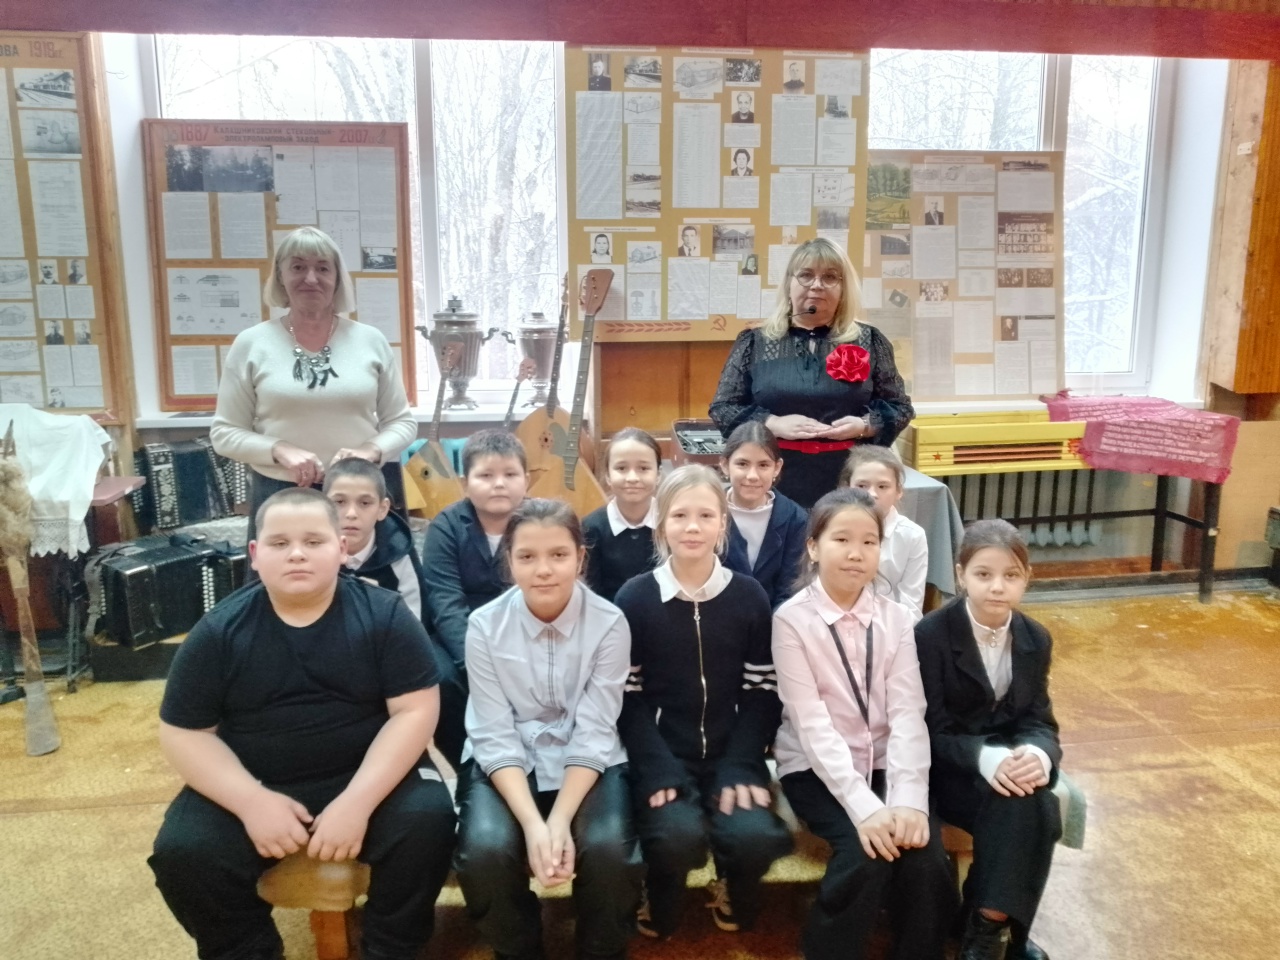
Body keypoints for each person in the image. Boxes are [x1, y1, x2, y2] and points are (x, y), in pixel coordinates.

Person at [148, 488, 457, 960]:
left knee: (429, 821)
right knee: (183, 851)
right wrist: (251, 802)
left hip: (366, 773)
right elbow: (184, 732)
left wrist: (357, 802)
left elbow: (415, 711)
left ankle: (391, 948)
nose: (296, 553)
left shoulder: (386, 615)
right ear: (255, 554)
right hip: (257, 778)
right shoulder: (218, 631)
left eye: (314, 541)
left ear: (342, 548)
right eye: (279, 543)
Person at [455, 499, 643, 960]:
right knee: (484, 852)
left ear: (580, 558)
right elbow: (494, 733)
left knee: (609, 850)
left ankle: (601, 950)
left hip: (587, 760)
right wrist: (532, 824)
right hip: (507, 762)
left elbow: (595, 729)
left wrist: (558, 820)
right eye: (527, 556)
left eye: (558, 555)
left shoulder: (610, 624)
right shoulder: (484, 626)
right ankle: (518, 948)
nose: (543, 570)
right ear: (509, 560)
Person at [774, 488, 956, 960]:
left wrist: (909, 799)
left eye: (869, 542)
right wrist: (864, 807)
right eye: (841, 539)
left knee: (925, 856)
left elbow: (908, 713)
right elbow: (811, 725)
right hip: (815, 769)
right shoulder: (791, 621)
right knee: (865, 852)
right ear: (814, 547)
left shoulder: (897, 619)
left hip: (886, 763)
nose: (856, 553)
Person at [615, 465, 792, 939]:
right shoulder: (635, 598)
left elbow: (762, 689)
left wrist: (742, 764)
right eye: (679, 515)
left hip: (731, 754)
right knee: (676, 837)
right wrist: (656, 767)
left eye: (705, 515)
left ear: (722, 523)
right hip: (664, 756)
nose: (692, 527)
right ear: (661, 523)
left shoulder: (749, 596)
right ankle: (660, 884)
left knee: (755, 838)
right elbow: (627, 696)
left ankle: (733, 880)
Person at [211, 226, 416, 546]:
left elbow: (402, 423)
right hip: (282, 498)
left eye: (322, 268)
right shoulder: (251, 344)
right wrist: (279, 449)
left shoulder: (371, 341)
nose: (310, 278)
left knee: (369, 580)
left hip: (358, 498)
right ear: (280, 277)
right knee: (291, 578)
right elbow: (224, 433)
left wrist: (369, 451)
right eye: (298, 267)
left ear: (337, 278)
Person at [914, 520, 1062, 960]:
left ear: (1026, 578)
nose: (997, 587)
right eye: (984, 574)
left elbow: (1040, 721)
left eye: (1011, 575)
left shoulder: (1035, 638)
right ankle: (1002, 934)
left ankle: (984, 930)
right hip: (950, 769)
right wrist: (985, 758)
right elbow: (930, 731)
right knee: (1033, 809)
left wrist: (1036, 754)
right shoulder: (931, 635)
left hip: (1007, 766)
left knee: (1032, 798)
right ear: (961, 575)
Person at [710, 237, 915, 509]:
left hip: (848, 480)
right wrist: (773, 423)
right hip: (773, 479)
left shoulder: (870, 340)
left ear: (843, 288)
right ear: (789, 283)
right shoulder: (755, 342)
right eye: (806, 275)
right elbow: (723, 408)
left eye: (830, 277)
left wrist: (864, 425)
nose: (817, 285)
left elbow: (900, 408)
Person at [422, 428, 529, 770]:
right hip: (460, 635)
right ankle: (469, 769)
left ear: (527, 480)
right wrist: (476, 662)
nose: (499, 484)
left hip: (526, 630)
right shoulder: (446, 527)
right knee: (440, 680)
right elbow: (445, 603)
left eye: (510, 474)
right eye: (485, 475)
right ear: (465, 482)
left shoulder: (540, 522)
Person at [324, 457, 425, 623]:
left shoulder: (399, 552)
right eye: (339, 502)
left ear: (382, 509)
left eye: (364, 503)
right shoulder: (310, 552)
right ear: (324, 505)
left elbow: (413, 625)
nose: (351, 513)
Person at [720, 421, 807, 610]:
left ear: (777, 467)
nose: (752, 475)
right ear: (725, 465)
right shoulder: (710, 513)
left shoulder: (795, 519)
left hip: (777, 620)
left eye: (763, 465)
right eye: (742, 464)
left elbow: (791, 588)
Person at [840, 445, 928, 621]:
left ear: (899, 491)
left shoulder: (913, 536)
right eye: (862, 485)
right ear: (847, 487)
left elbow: (911, 608)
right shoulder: (832, 530)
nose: (872, 494)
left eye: (883, 486)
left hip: (891, 628)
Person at [583, 427, 661, 603]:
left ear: (658, 474)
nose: (632, 478)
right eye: (621, 468)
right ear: (607, 475)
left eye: (643, 468)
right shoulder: (591, 528)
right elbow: (591, 593)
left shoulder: (672, 522)